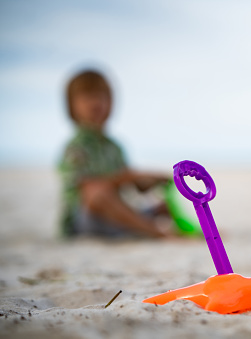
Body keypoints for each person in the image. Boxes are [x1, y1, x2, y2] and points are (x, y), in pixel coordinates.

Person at [58, 69, 172, 239]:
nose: (95, 104)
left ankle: (190, 231)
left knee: (163, 205)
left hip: (118, 217)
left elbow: (132, 185)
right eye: (87, 97)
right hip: (87, 222)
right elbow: (88, 190)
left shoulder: (114, 147)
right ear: (71, 107)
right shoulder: (75, 148)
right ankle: (156, 233)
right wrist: (130, 176)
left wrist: (148, 180)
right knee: (96, 193)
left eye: (101, 97)